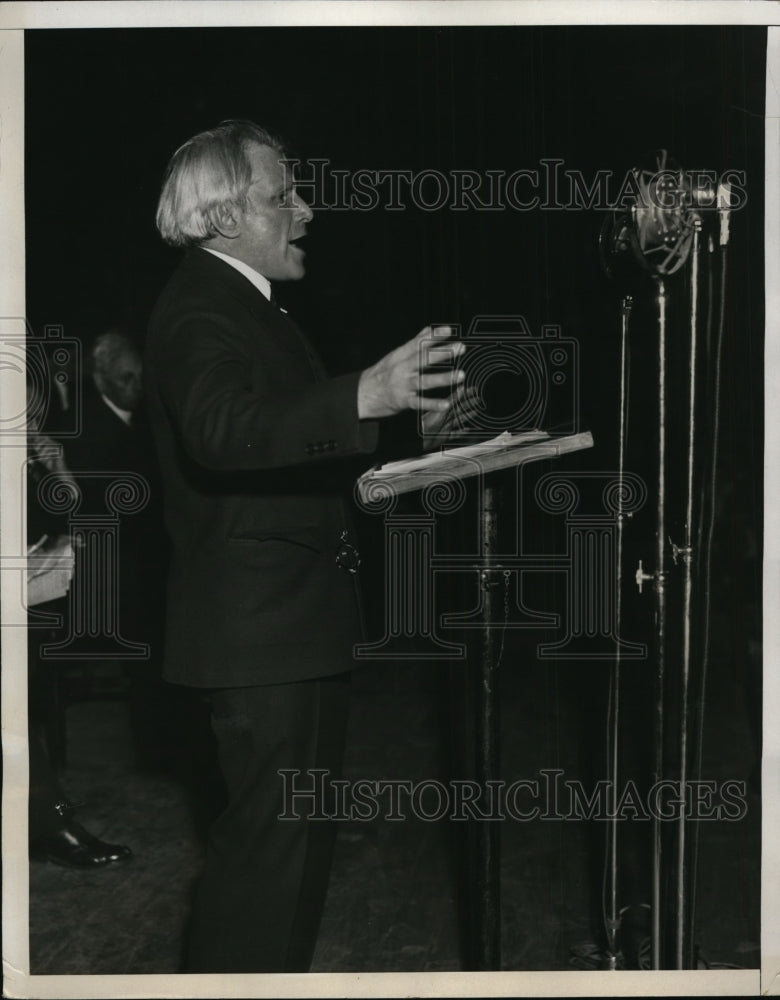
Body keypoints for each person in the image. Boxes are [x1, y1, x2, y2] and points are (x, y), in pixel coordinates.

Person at [145, 119, 465, 973]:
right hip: (262, 640)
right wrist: (363, 394)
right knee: (268, 872)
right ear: (223, 216)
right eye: (284, 194)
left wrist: (411, 446)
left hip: (285, 632)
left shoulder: (246, 306)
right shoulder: (201, 308)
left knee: (283, 869)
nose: (308, 210)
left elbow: (284, 455)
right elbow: (222, 433)